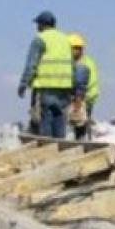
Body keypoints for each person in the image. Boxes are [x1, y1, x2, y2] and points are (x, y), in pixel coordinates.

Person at [18, 11, 74, 139]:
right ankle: (59, 147)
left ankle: (47, 148)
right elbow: (72, 65)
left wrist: (23, 84)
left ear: (42, 24)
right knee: (59, 120)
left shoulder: (40, 39)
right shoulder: (65, 39)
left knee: (45, 122)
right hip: (64, 88)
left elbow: (31, 65)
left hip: (46, 88)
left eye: (38, 24)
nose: (37, 28)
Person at [69, 33, 99, 140]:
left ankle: (82, 142)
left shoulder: (85, 63)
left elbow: (90, 83)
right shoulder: (73, 62)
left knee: (80, 126)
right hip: (79, 98)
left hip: (85, 98)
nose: (73, 51)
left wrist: (83, 100)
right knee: (77, 126)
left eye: (76, 48)